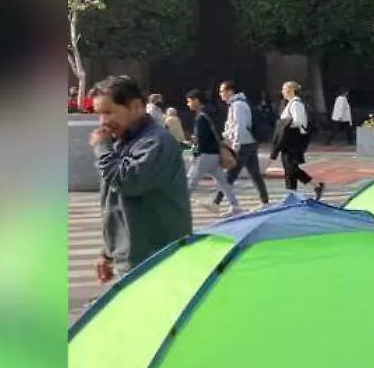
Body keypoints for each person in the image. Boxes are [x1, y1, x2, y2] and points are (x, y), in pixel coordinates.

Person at [89, 75, 192, 283]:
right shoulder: (121, 140)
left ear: (136, 107)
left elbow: (128, 182)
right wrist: (108, 252)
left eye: (109, 112)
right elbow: (114, 204)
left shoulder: (154, 142)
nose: (103, 121)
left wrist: (101, 148)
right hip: (131, 257)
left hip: (155, 258)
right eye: (99, 114)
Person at [182, 89, 240, 214]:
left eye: (189, 101)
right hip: (214, 153)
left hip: (205, 154)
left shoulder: (201, 117)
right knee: (222, 182)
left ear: (196, 100)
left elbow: (202, 139)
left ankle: (179, 207)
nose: (188, 104)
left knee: (190, 181)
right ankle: (235, 206)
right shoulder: (211, 113)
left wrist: (195, 152)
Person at [215, 80, 270, 206]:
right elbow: (233, 126)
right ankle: (265, 202)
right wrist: (226, 136)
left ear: (230, 91)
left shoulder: (238, 105)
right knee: (254, 174)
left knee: (230, 175)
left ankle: (216, 202)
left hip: (243, 144)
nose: (220, 94)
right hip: (249, 143)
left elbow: (240, 126)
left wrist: (235, 144)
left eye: (222, 91)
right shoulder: (237, 104)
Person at [271, 81, 322, 198]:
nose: (283, 92)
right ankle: (292, 193)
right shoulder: (289, 103)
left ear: (293, 90)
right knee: (289, 167)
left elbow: (299, 121)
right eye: (283, 89)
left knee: (291, 167)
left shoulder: (296, 104)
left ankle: (315, 185)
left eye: (286, 89)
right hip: (288, 139)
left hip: (294, 139)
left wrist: (284, 125)